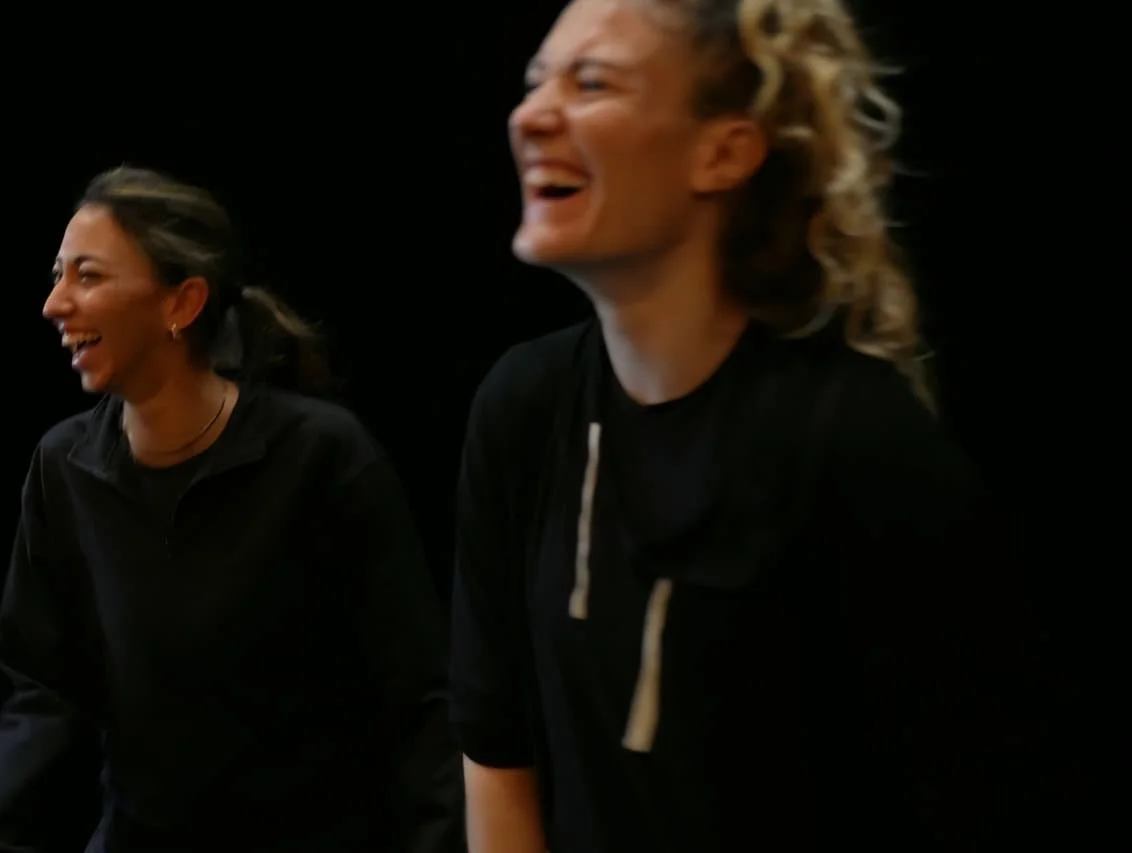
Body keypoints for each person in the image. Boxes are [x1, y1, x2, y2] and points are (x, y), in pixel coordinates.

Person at [449, 1, 1063, 851]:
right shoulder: (525, 404)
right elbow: (497, 747)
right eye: (534, 81)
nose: (532, 113)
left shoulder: (856, 445)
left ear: (725, 151)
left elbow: (969, 803)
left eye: (592, 83)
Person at [0, 166, 462, 853]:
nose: (55, 303)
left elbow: (416, 702)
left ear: (182, 303)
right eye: (57, 273)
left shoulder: (321, 456)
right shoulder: (64, 466)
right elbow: (46, 692)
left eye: (88, 275)